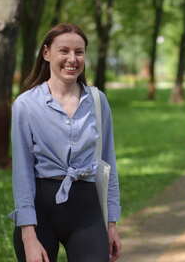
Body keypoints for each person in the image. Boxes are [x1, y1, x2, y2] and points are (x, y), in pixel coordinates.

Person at [10, 23, 121, 262]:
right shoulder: (25, 105)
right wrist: (28, 236)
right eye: (64, 51)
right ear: (46, 53)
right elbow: (22, 173)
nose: (72, 59)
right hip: (41, 212)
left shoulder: (98, 101)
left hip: (87, 209)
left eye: (79, 52)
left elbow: (109, 163)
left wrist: (112, 224)